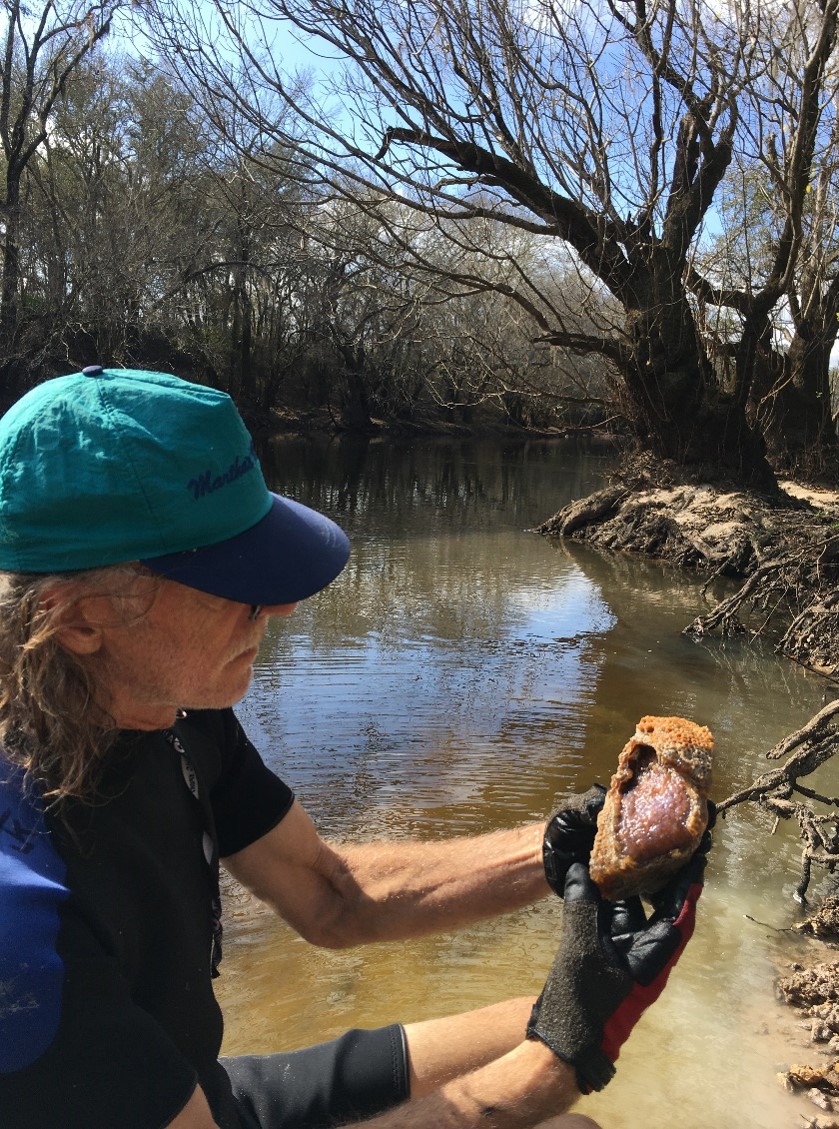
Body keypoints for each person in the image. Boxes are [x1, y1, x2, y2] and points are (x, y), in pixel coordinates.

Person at [0, 367, 710, 1129]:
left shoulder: (167, 707)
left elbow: (332, 895)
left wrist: (565, 849)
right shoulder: (17, 923)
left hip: (195, 1087)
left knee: (527, 1023)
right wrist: (560, 1059)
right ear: (79, 619)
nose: (281, 604)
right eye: (233, 582)